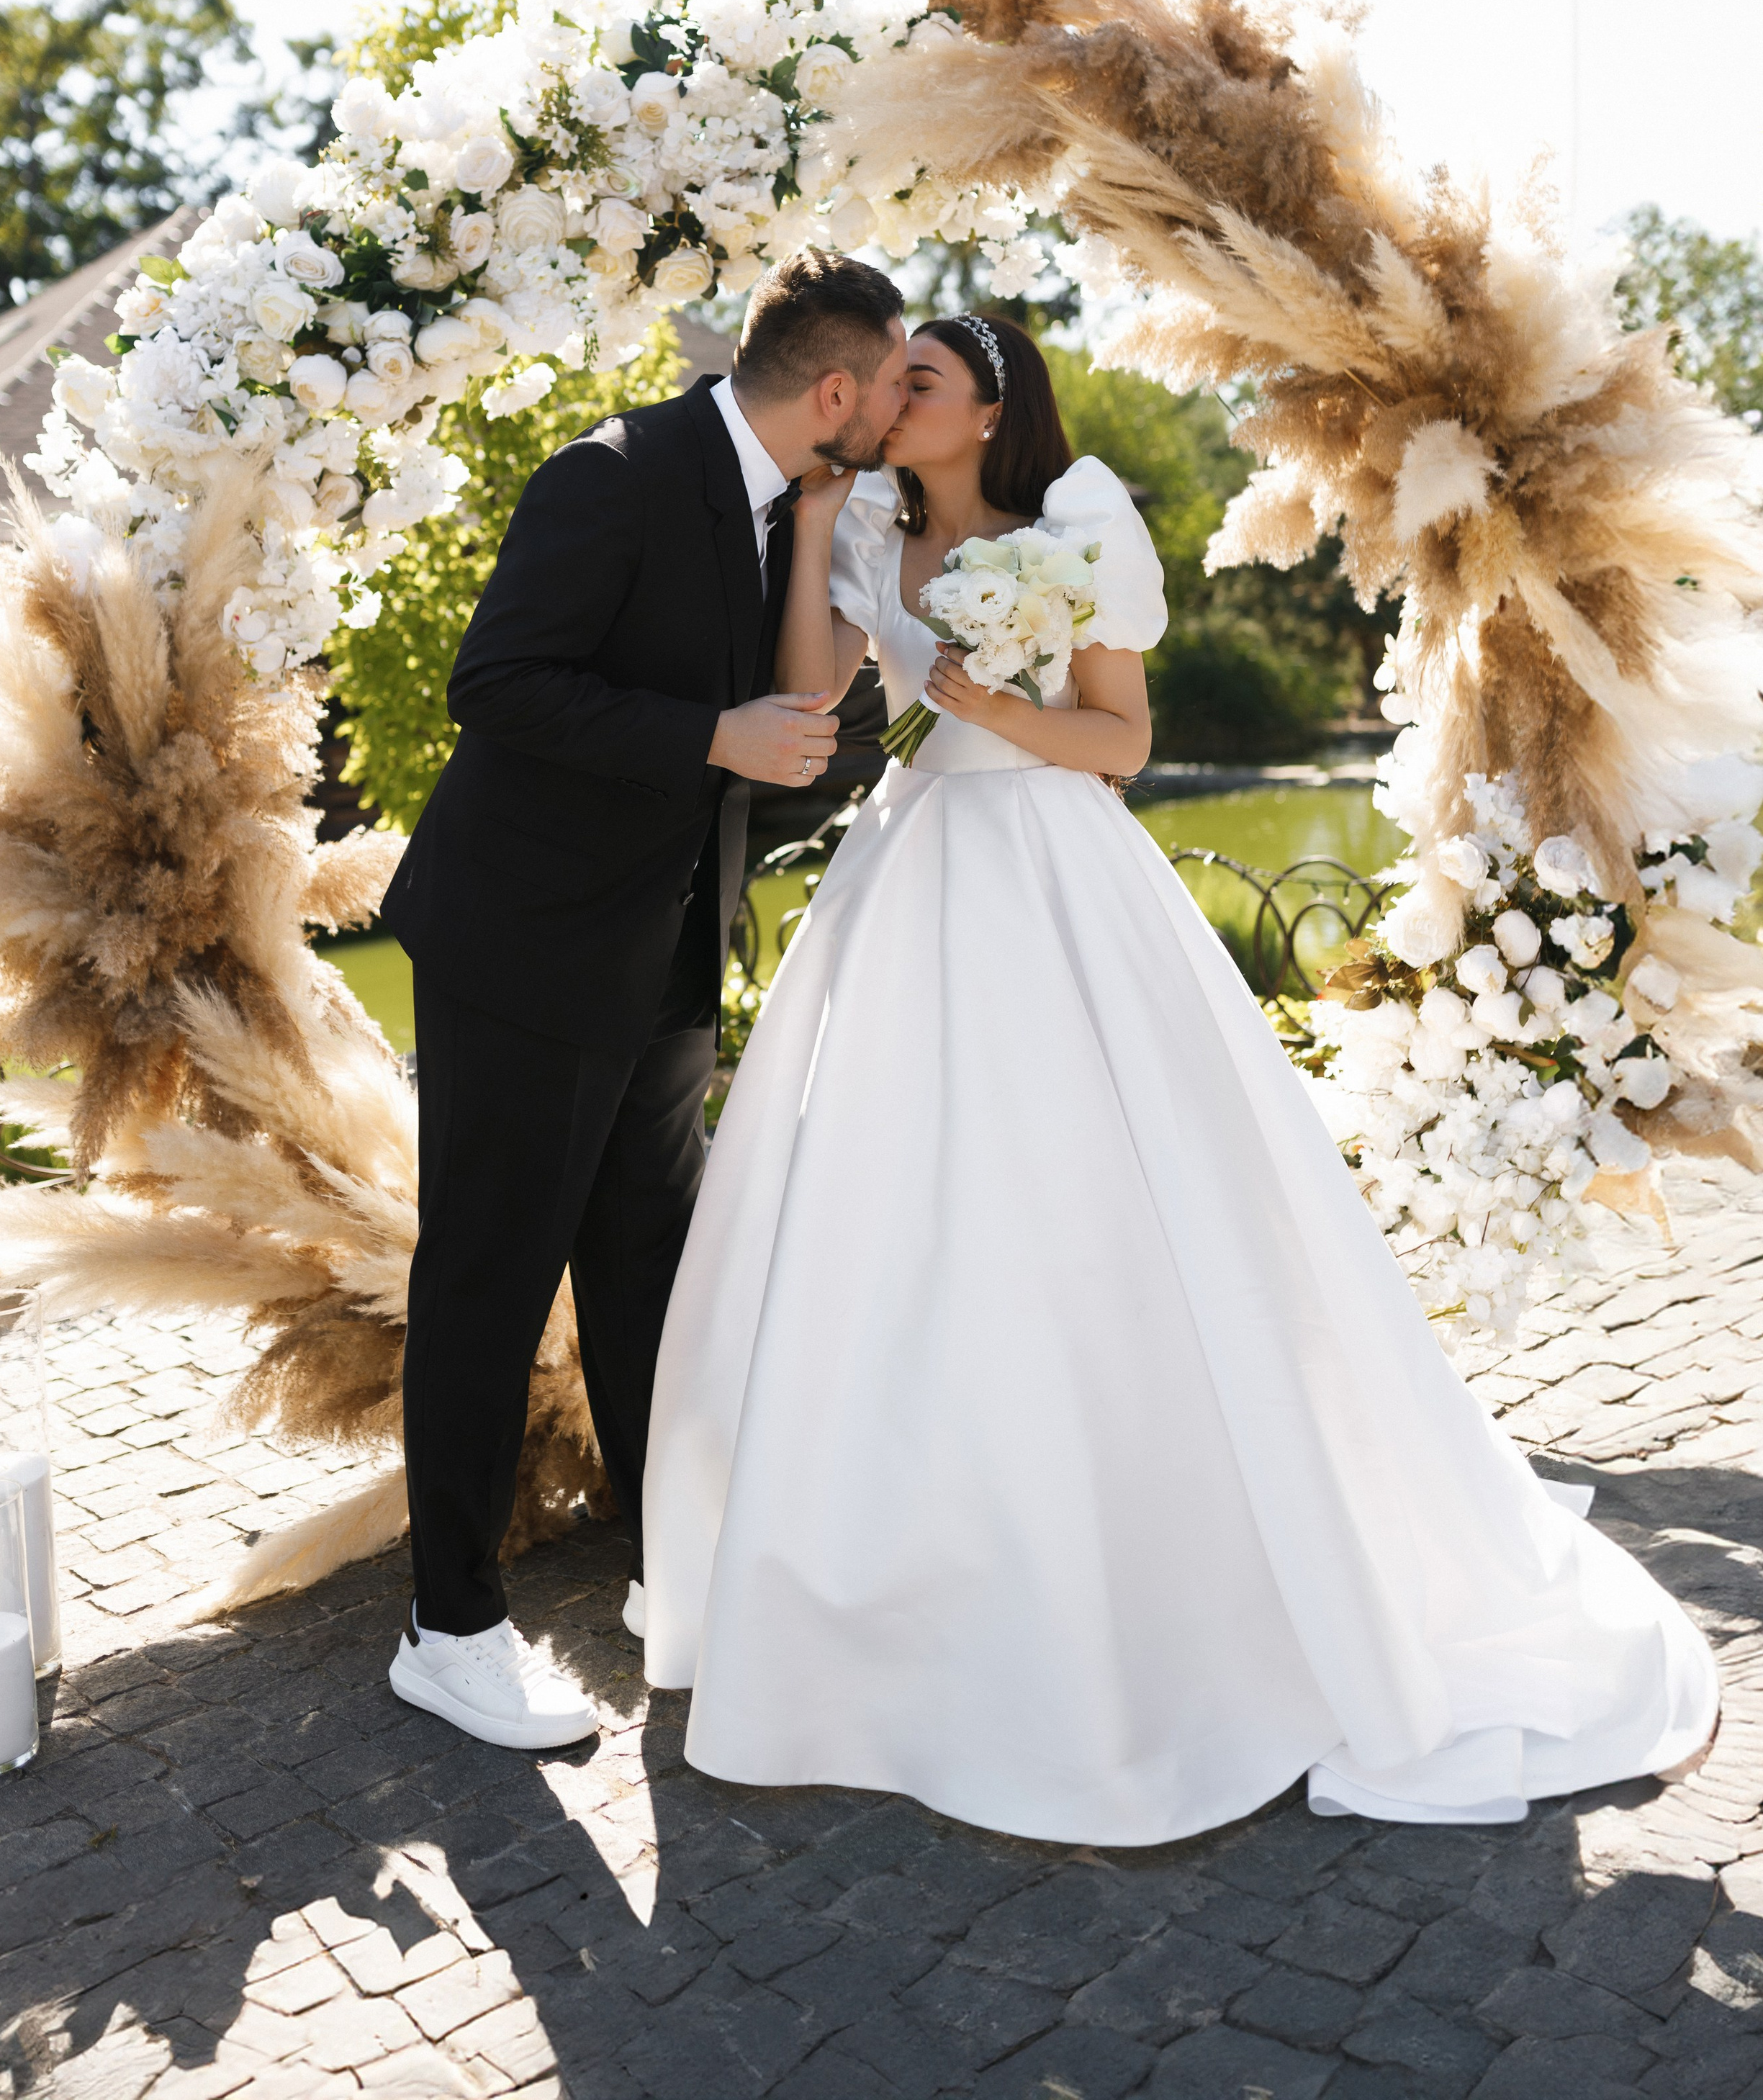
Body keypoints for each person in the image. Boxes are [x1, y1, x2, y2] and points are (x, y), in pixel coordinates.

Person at [641, 311, 1719, 1842]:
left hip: (1053, 868)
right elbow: (814, 701)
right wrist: (817, 523)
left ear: (987, 407)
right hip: (906, 872)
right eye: (883, 382)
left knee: (1095, 1204)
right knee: (888, 1209)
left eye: (917, 381)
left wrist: (996, 708)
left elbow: (1122, 739)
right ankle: (890, 1562)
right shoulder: (866, 522)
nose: (887, 398)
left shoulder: (1073, 524)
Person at [380, 248, 908, 1748]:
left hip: (665, 954)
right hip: (523, 949)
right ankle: (448, 1625)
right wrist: (710, 736)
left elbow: (797, 727)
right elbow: (497, 683)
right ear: (834, 389)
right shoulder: (612, 474)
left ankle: (668, 1571)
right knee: (489, 1276)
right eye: (891, 383)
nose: (899, 407)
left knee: (646, 1278)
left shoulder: (803, 506)